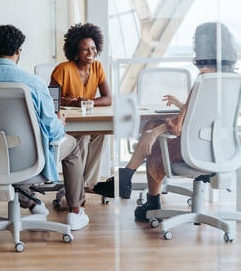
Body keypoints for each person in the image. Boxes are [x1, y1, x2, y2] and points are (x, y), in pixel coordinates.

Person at [93, 22, 237, 221]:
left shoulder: (204, 78)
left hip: (196, 151)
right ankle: (128, 177)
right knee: (154, 127)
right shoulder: (230, 78)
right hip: (218, 149)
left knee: (154, 138)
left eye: (198, 43)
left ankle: (144, 193)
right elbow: (209, 117)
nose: (195, 47)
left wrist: (154, 134)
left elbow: (177, 128)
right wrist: (182, 106)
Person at [0, 25, 91, 230]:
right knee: (73, 146)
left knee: (8, 158)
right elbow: (53, 132)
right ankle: (75, 212)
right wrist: (60, 122)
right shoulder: (34, 83)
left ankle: (32, 203)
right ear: (18, 51)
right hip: (30, 158)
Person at [50, 23, 112, 190]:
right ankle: (77, 187)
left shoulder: (97, 67)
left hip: (89, 118)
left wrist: (85, 101)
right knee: (84, 138)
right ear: (76, 52)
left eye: (93, 48)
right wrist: (67, 101)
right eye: (85, 49)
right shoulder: (63, 69)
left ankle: (85, 185)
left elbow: (108, 98)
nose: (91, 53)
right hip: (69, 123)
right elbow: (51, 101)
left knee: (102, 134)